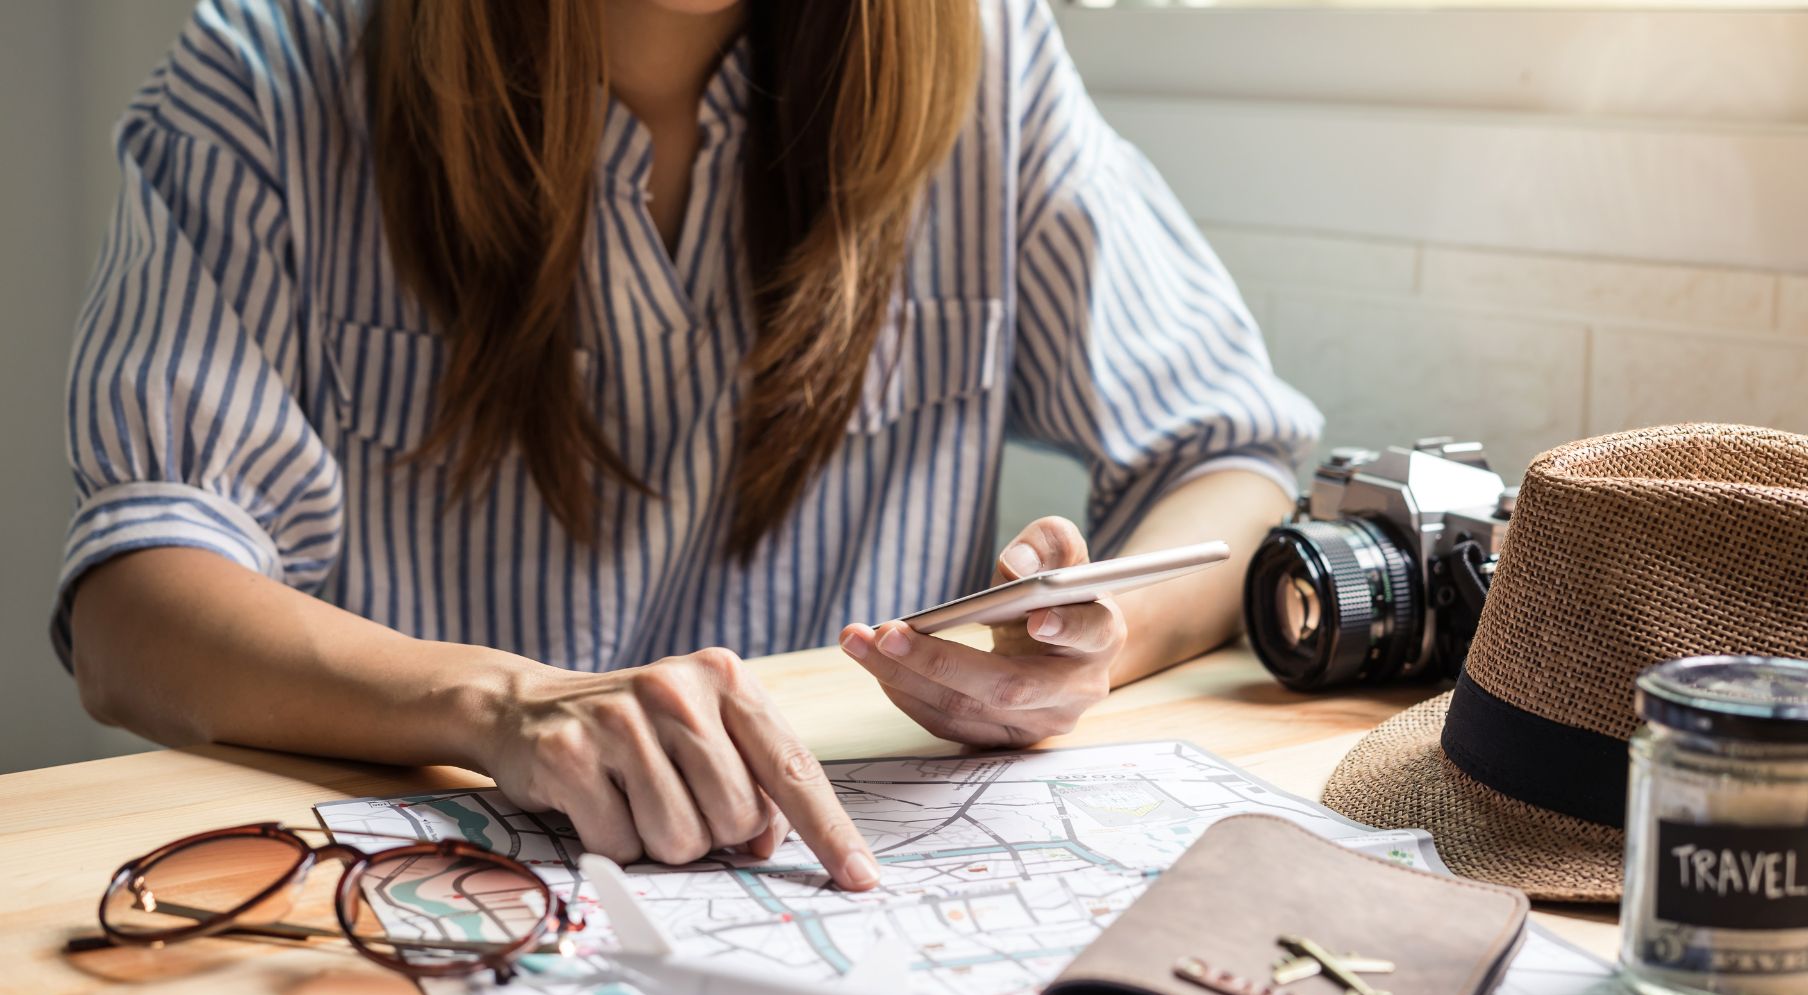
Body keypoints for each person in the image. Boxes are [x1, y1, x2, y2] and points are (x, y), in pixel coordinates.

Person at [57, 0, 1321, 890]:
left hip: (846, 879)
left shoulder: (986, 58)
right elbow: (135, 610)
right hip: (443, 894)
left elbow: (1231, 461)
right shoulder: (272, 67)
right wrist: (504, 704)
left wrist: (1082, 653)